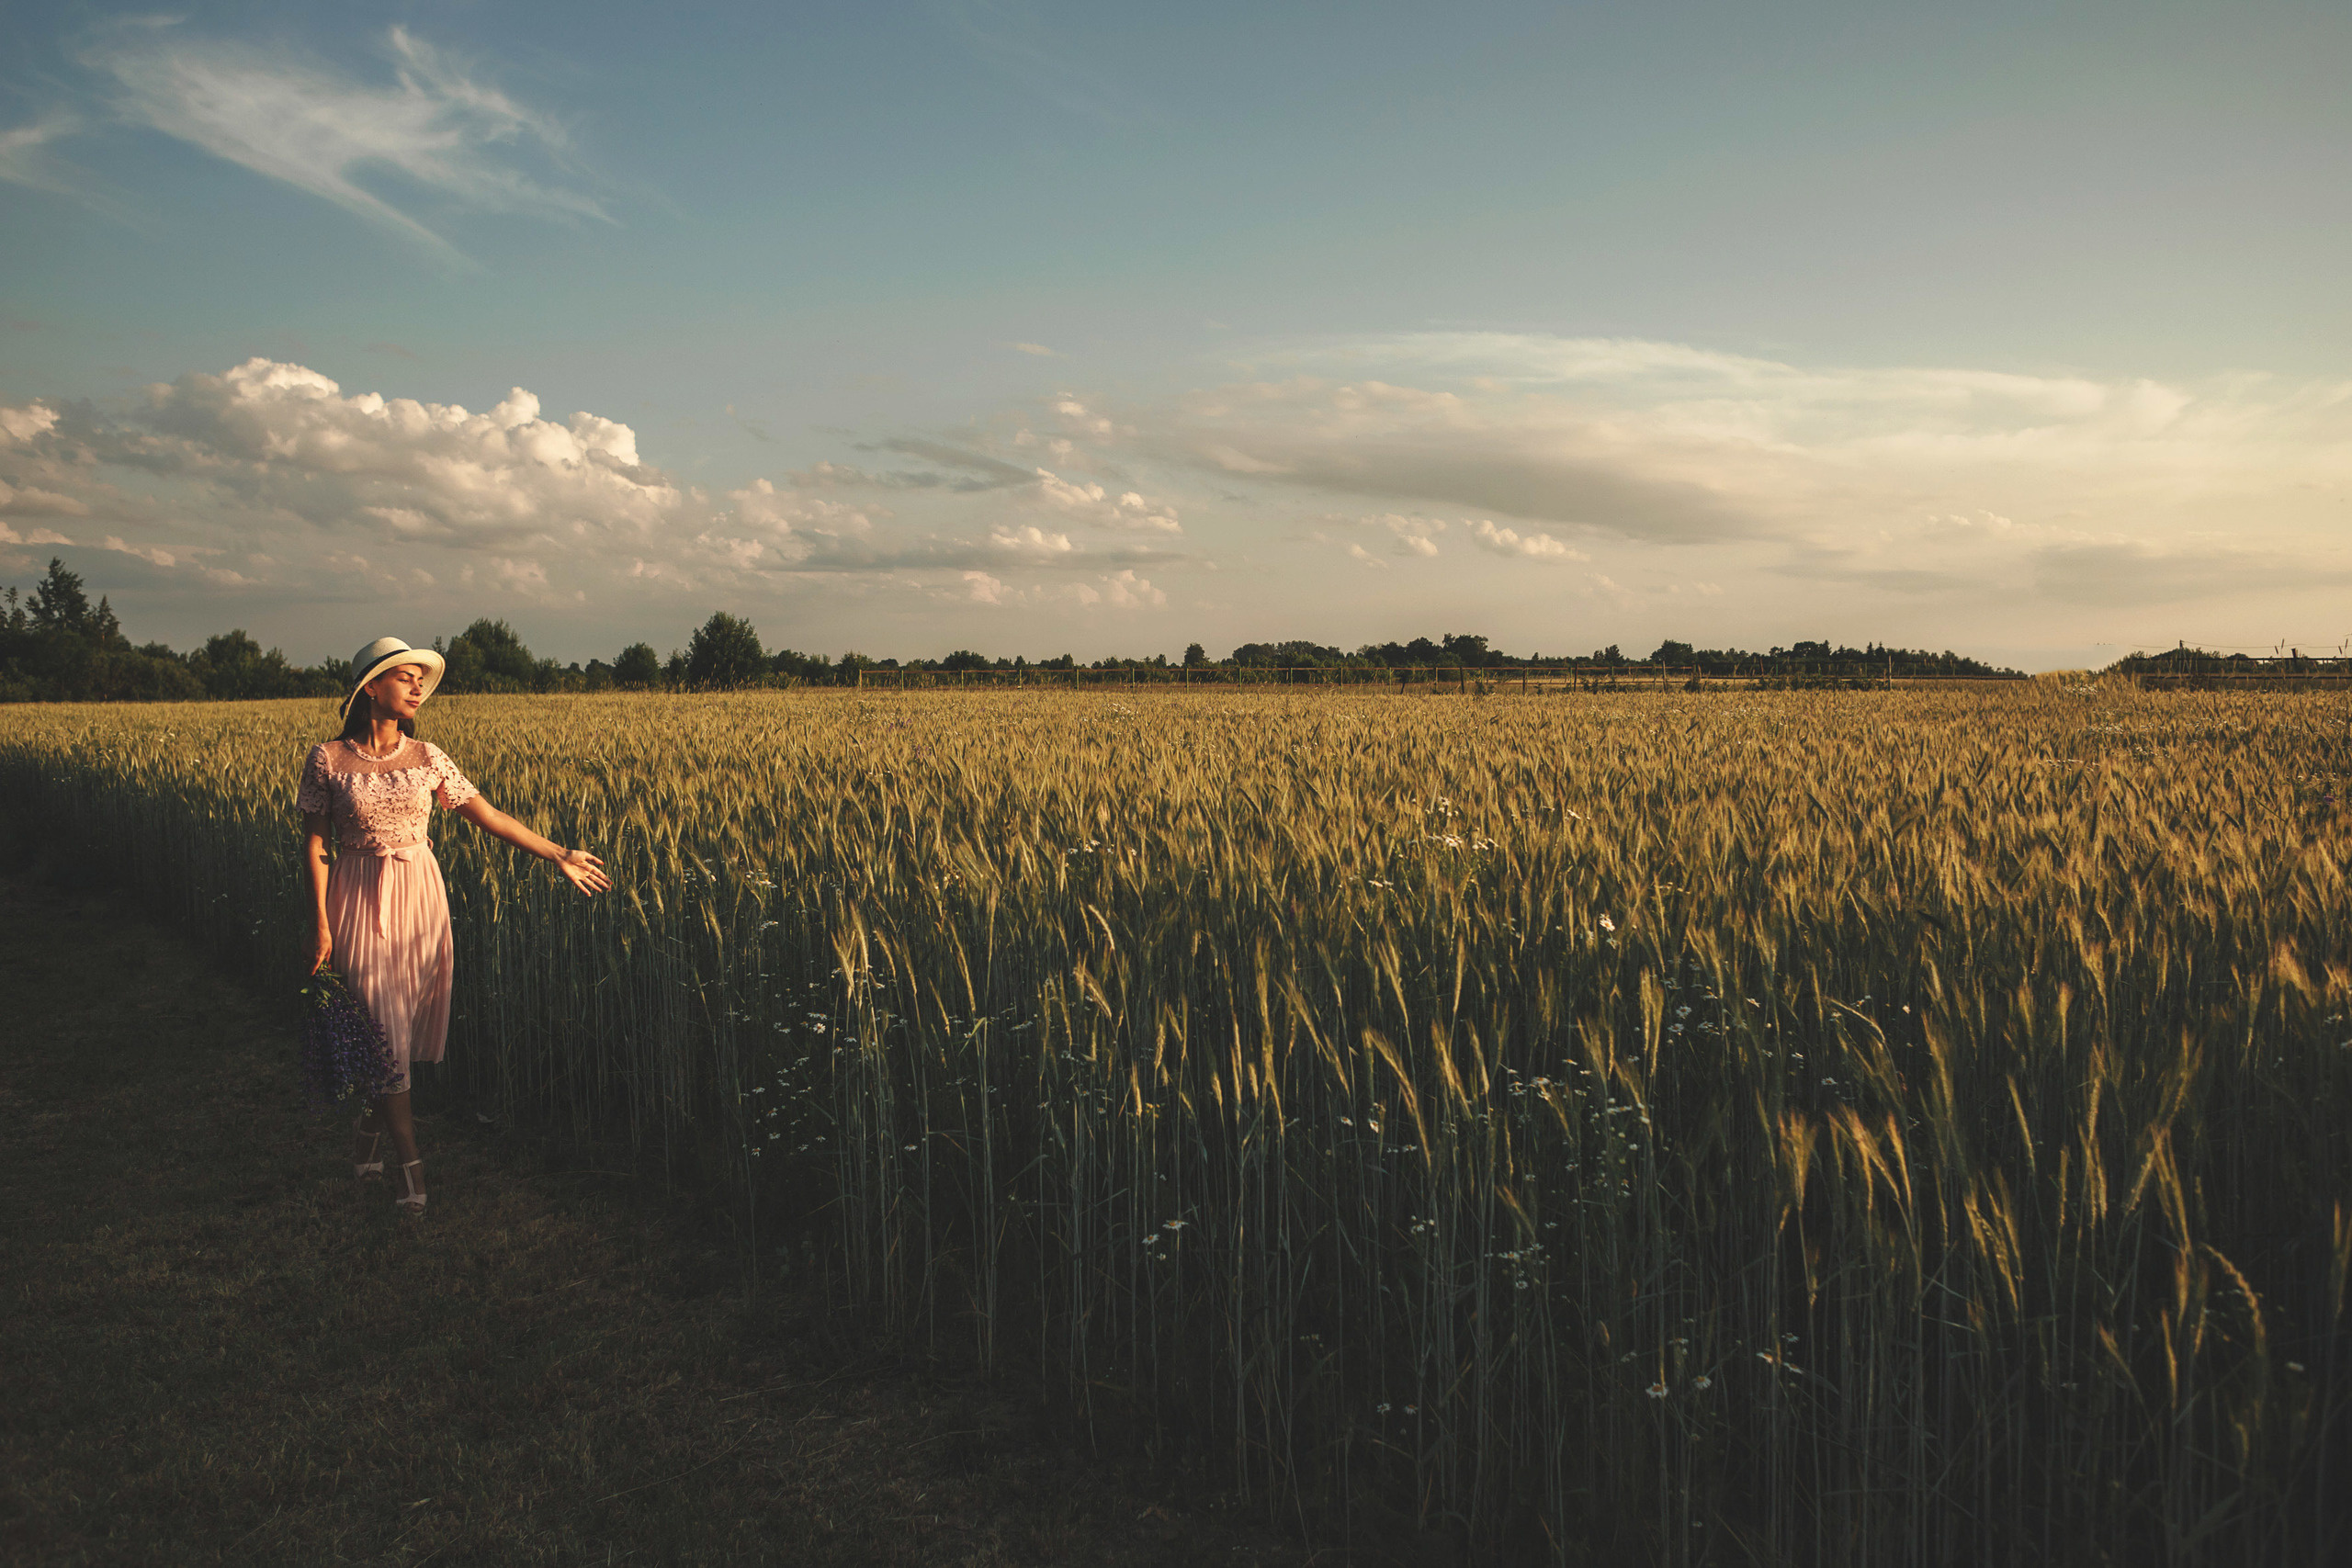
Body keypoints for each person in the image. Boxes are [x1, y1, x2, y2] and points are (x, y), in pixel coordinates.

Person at [298, 637, 611, 1217]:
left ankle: (369, 1129)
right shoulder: (327, 759)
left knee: (396, 1025)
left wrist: (558, 853)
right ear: (371, 687)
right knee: (381, 1025)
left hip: (420, 895)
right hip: (357, 896)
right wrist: (319, 922)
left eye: (422, 679)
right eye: (406, 677)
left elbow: (487, 814)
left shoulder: (428, 757)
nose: (419, 687)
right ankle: (410, 1163)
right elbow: (317, 845)